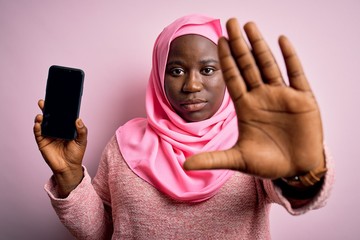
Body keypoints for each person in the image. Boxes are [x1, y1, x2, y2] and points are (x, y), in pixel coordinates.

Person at [33, 14, 334, 239]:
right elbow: (102, 231)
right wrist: (69, 175)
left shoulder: (253, 139)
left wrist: (302, 166)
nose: (191, 85)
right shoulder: (126, 143)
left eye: (207, 69)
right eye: (176, 70)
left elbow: (301, 195)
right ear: (159, 75)